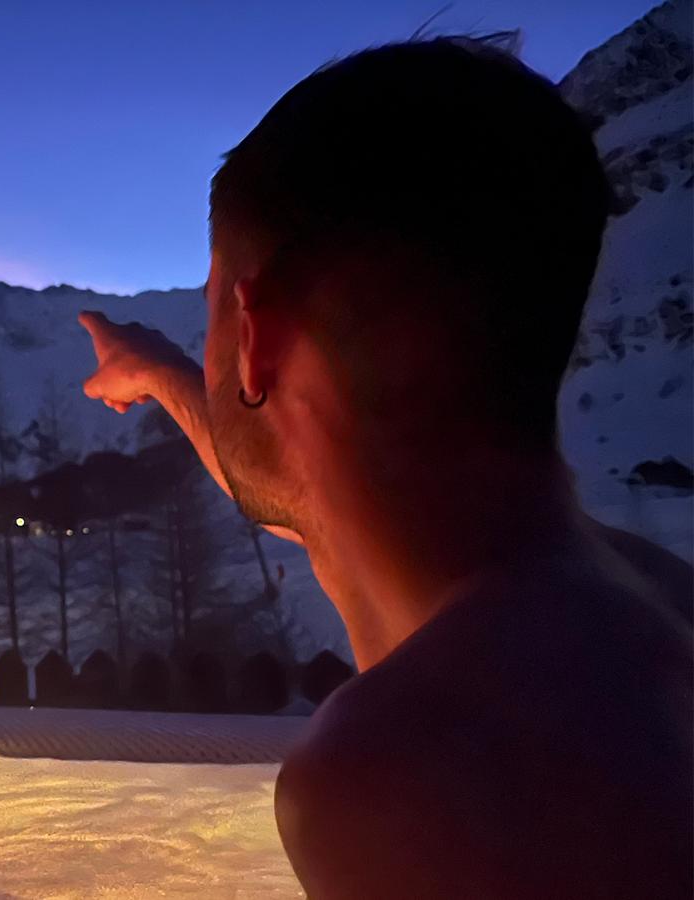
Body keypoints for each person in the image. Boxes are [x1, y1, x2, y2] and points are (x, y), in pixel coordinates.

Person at [80, 35, 693, 899]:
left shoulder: (415, 774)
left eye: (215, 300)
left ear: (256, 331)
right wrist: (167, 377)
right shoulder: (638, 597)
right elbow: (304, 495)